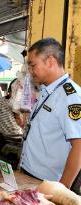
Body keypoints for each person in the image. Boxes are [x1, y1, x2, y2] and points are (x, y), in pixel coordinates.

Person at [21, 38, 81, 189]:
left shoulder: (70, 96)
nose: (31, 71)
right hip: (30, 175)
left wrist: (61, 190)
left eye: (33, 65)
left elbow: (79, 146)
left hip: (48, 183)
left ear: (50, 61)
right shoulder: (46, 90)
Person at [0, 79, 23, 153]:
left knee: (14, 160)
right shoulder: (1, 101)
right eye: (14, 89)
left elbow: (21, 123)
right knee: (3, 158)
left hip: (17, 137)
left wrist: (17, 115)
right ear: (10, 89)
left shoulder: (21, 103)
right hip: (2, 136)